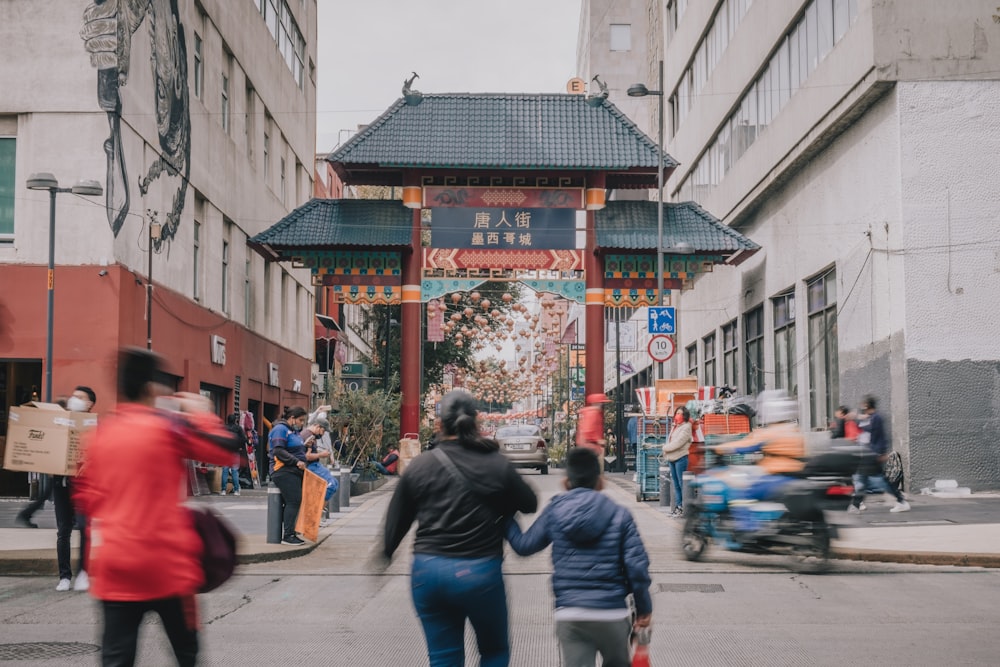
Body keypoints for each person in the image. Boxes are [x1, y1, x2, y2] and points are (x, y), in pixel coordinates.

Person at [72, 348, 242, 667]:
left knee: (116, 658)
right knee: (185, 655)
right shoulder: (169, 428)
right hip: (167, 564)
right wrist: (201, 411)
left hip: (114, 567)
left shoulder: (97, 437)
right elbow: (227, 452)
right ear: (152, 388)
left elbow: (86, 503)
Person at [383, 390, 538, 667]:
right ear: (476, 422)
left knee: (443, 657)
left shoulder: (421, 466)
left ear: (440, 425)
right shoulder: (496, 464)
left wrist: (386, 553)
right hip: (480, 571)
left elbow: (397, 521)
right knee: (493, 652)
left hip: (428, 571)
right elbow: (529, 503)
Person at [506, 447, 652, 667]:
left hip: (570, 614)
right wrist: (644, 610)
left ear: (566, 482)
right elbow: (637, 568)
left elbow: (524, 546)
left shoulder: (555, 511)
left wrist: (502, 517)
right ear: (600, 481)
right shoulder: (620, 514)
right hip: (612, 612)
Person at [710, 390, 806, 502]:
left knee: (740, 494)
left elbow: (747, 445)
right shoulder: (795, 431)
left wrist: (720, 448)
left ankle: (746, 520)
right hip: (794, 476)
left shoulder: (771, 432)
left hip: (774, 479)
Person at [52, 386, 97, 592]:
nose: (74, 399)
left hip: (84, 486)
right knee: (63, 531)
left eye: (80, 397)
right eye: (73, 396)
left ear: (90, 404)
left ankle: (83, 573)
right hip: (61, 484)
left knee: (83, 528)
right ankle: (64, 576)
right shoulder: (60, 423)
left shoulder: (95, 427)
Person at [850, 395, 910, 513]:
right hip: (871, 454)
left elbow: (881, 437)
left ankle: (856, 505)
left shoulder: (876, 418)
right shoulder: (872, 417)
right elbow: (863, 427)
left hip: (874, 455)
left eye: (863, 405)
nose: (861, 407)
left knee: (867, 480)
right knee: (868, 479)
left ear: (867, 405)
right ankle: (856, 505)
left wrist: (881, 453)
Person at [268, 406, 310, 545]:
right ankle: (288, 535)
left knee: (295, 501)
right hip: (283, 470)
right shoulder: (280, 429)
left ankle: (291, 532)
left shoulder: (292, 431)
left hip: (294, 470)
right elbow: (278, 451)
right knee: (294, 500)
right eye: (300, 420)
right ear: (292, 418)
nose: (302, 423)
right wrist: (296, 461)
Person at [661, 406, 693, 517]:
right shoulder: (675, 426)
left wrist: (665, 448)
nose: (677, 415)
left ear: (684, 415)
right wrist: (667, 448)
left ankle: (682, 508)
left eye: (680, 413)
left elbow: (679, 442)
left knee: (681, 484)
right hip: (671, 458)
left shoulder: (687, 427)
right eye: (677, 413)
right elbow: (670, 440)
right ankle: (677, 507)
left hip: (680, 458)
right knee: (676, 485)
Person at [303, 417, 339, 502]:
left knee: (335, 483)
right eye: (323, 431)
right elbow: (306, 456)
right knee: (331, 485)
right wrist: (321, 454)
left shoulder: (311, 435)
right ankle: (316, 505)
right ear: (318, 427)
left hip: (315, 465)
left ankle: (320, 507)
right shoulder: (308, 436)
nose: (322, 434)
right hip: (311, 466)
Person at [577, 393, 609, 471]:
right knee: (595, 471)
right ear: (597, 403)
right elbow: (588, 429)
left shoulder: (591, 412)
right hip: (591, 446)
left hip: (588, 445)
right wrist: (598, 440)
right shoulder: (593, 413)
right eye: (602, 402)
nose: (603, 404)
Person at [220, 414, 244, 496]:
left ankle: (223, 490)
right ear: (235, 420)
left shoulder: (224, 428)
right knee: (235, 471)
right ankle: (236, 490)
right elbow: (243, 439)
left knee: (225, 471)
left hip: (225, 451)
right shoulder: (238, 428)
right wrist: (240, 447)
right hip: (235, 451)